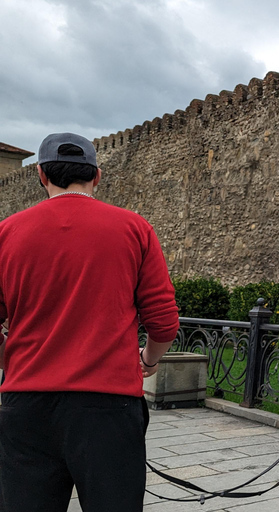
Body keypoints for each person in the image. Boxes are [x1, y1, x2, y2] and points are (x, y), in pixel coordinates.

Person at [0, 133, 180, 511]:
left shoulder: (8, 232)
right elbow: (163, 322)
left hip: (27, 404)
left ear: (40, 175)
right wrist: (147, 361)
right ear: (97, 176)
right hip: (109, 406)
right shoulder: (134, 229)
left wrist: (9, 360)